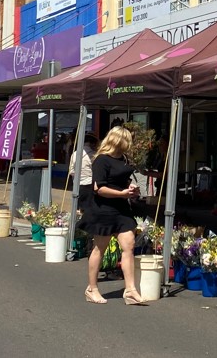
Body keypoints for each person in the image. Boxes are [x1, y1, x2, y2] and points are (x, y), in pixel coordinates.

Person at [77, 126, 144, 305]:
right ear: (117, 140)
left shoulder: (124, 158)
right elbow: (99, 188)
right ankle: (92, 288)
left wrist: (131, 189)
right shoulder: (101, 160)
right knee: (100, 247)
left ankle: (130, 290)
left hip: (121, 209)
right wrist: (123, 193)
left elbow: (124, 181)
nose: (128, 145)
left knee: (129, 244)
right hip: (103, 209)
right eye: (126, 141)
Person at [68, 133, 99, 213]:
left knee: (77, 209)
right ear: (92, 143)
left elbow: (71, 171)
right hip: (89, 184)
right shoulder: (94, 155)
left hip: (77, 184)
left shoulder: (74, 154)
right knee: (88, 210)